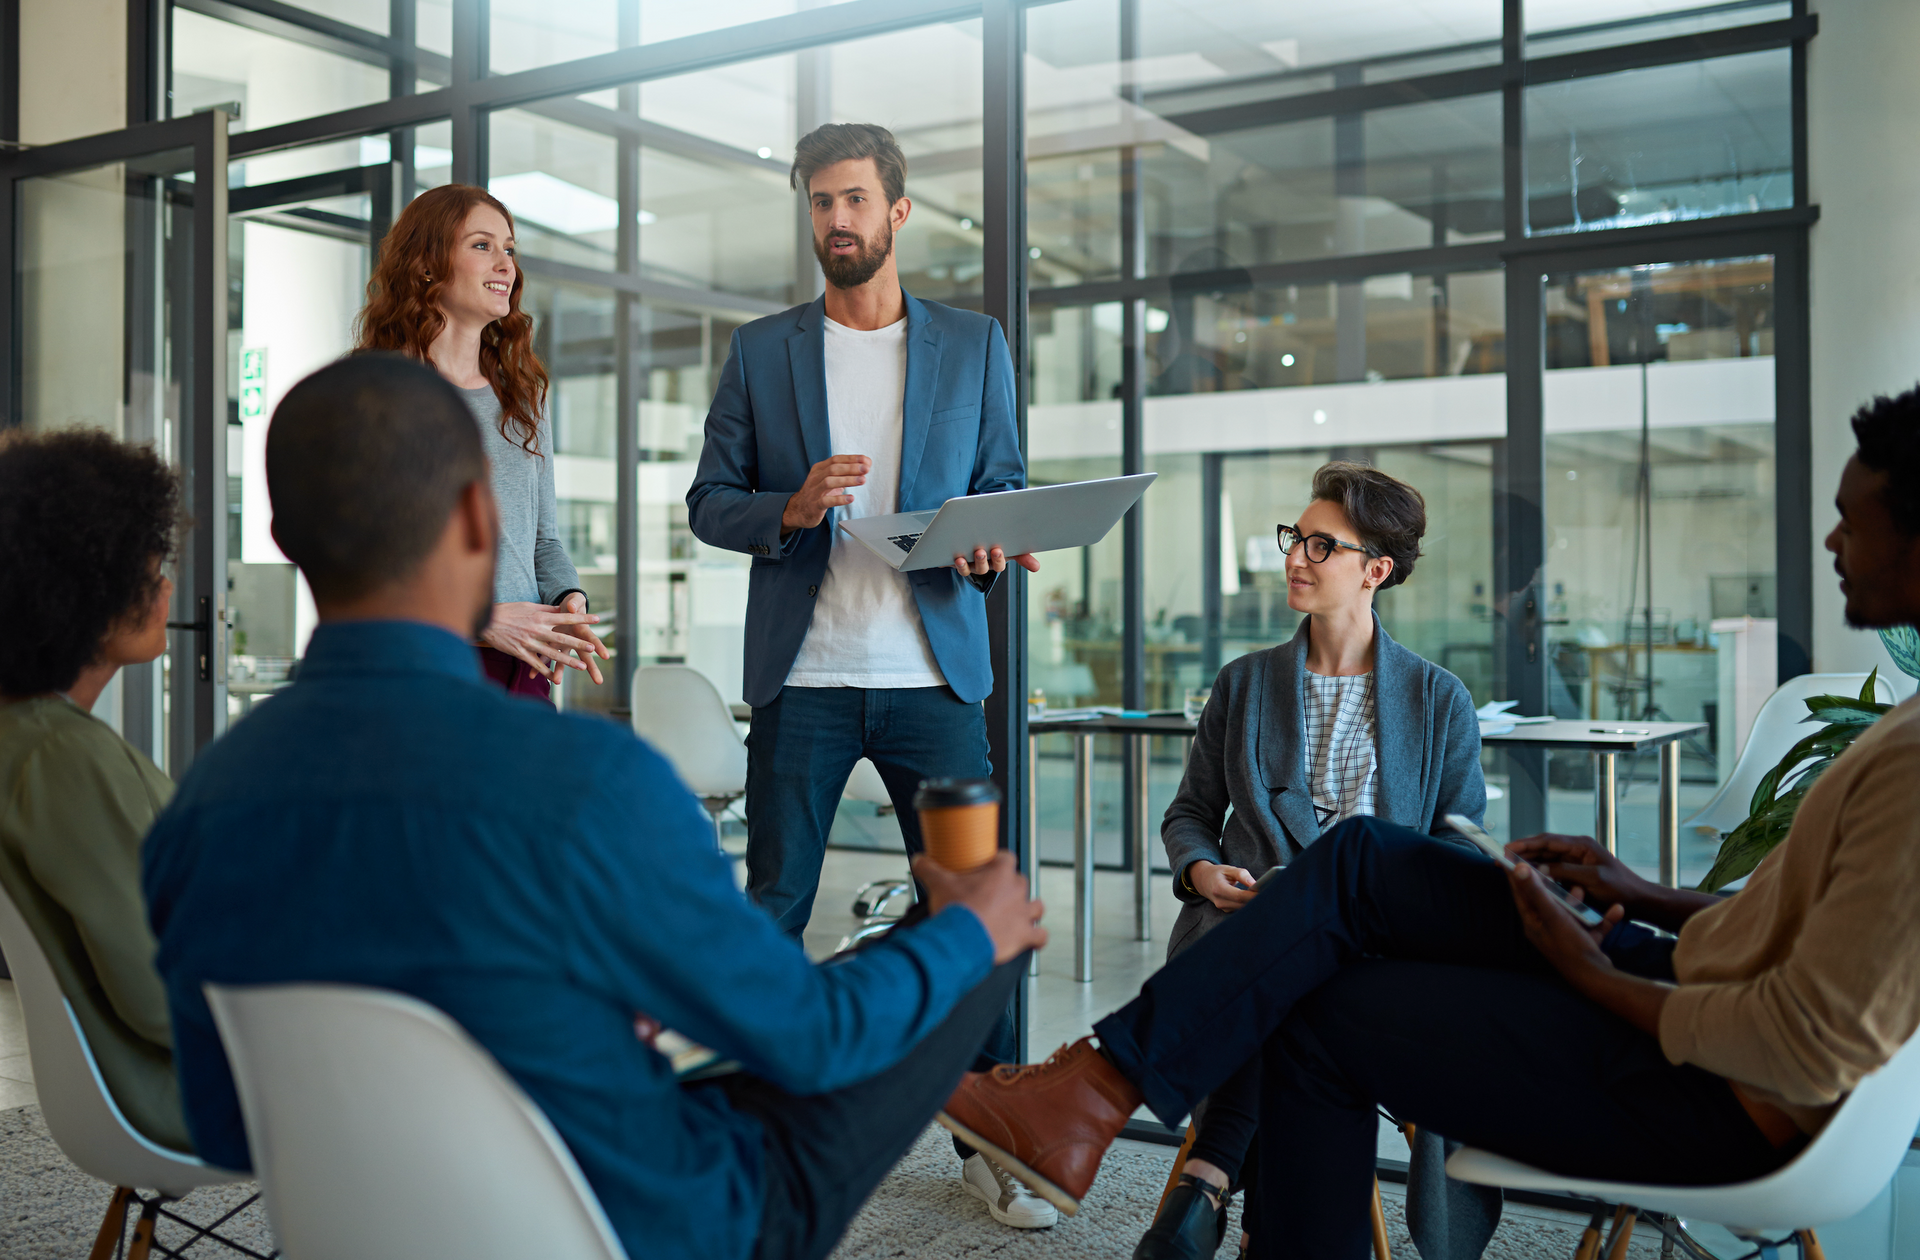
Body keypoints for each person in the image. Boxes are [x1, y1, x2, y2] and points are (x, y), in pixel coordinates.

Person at [937, 390, 1920, 1259]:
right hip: (1674, 971)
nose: (1830, 542)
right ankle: (1097, 1098)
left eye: (1850, 520)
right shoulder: (1907, 734)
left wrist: (1593, 973)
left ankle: (1116, 1108)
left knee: (1329, 943)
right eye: (1299, 537)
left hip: (1712, 1079)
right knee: (1351, 881)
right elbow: (1794, 937)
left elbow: (1804, 1041)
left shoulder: (1910, 762)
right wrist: (1643, 893)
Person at [141, 354, 1049, 1260]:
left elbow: (223, 1125)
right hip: (636, 1230)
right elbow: (813, 1041)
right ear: (475, 519)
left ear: (284, 537)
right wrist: (969, 933)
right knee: (968, 945)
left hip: (372, 1233)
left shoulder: (202, 806)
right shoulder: (588, 782)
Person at [685, 123, 1047, 1226]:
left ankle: (993, 1134)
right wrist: (788, 508)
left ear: (896, 212)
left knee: (976, 905)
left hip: (936, 680)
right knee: (775, 909)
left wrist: (986, 542)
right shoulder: (761, 350)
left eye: (853, 199)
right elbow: (709, 502)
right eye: (819, 202)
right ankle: (754, 1134)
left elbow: (1003, 486)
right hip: (808, 678)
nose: (835, 220)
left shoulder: (973, 344)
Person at [1141, 461, 1489, 1260]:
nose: (1295, 556)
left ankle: (1208, 1180)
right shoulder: (1244, 683)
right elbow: (1191, 814)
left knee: (1303, 973)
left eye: (1320, 544)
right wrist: (1201, 873)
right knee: (1287, 965)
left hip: (1376, 952)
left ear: (1376, 570)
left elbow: (1454, 854)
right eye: (1294, 537)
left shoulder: (1438, 701)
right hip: (1239, 931)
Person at [0, 429, 192, 1152]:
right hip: (183, 1090)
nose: (168, 586)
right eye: (150, 565)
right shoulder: (60, 759)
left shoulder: (29, 738)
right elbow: (160, 999)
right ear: (84, 581)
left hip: (130, 1083)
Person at [357, 183, 609, 701]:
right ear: (427, 264)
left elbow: (543, 542)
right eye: (482, 245)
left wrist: (569, 599)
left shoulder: (523, 398)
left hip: (525, 665)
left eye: (509, 249)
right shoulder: (376, 391)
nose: (505, 265)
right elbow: (364, 558)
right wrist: (482, 618)